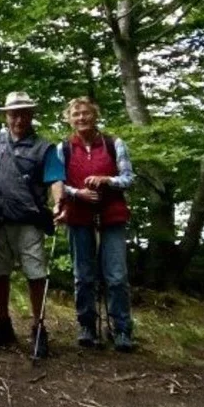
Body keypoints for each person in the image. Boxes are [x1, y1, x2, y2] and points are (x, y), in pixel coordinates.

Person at [0, 91, 64, 358]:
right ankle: (4, 323)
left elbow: (55, 179)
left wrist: (59, 203)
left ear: (31, 115)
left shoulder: (44, 147)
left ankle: (38, 328)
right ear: (6, 116)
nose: (18, 118)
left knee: (35, 273)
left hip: (27, 221)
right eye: (14, 114)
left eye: (24, 113)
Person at [56, 97, 136, 352]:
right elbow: (56, 183)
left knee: (116, 275)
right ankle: (87, 326)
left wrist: (107, 181)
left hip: (112, 215)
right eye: (76, 114)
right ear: (69, 118)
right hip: (79, 216)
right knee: (83, 275)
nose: (81, 118)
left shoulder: (113, 144)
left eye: (86, 113)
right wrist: (77, 193)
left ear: (95, 115)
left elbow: (128, 178)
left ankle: (122, 329)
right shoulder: (64, 148)